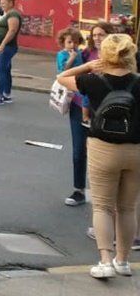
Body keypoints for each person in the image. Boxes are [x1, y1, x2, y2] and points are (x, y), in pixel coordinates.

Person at [58, 34, 140, 280]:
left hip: (102, 146)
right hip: (135, 149)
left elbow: (62, 77)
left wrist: (89, 65)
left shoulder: (93, 80)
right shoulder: (138, 82)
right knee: (127, 207)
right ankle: (123, 261)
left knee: (103, 206)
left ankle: (105, 261)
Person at [57, 26, 88, 207]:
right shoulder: (63, 55)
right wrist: (72, 59)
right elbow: (62, 73)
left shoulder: (84, 54)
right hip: (77, 103)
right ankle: (79, 189)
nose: (73, 45)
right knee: (78, 150)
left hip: (91, 103)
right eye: (69, 42)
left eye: (75, 42)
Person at [0, 0, 22, 106]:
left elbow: (12, 30)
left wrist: (2, 44)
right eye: (1, 3)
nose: (1, 5)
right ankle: (6, 94)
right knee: (6, 70)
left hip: (8, 47)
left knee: (1, 70)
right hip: (6, 46)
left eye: (3, 3)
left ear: (10, 3)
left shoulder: (13, 14)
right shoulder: (9, 14)